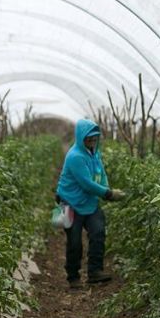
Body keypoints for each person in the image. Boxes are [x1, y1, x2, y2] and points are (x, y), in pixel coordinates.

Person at [56, 119, 125, 289]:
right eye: (88, 139)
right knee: (74, 242)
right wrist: (107, 193)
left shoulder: (94, 152)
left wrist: (107, 186)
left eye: (94, 139)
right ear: (81, 138)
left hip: (90, 202)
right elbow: (86, 183)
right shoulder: (75, 157)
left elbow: (101, 173)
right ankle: (73, 277)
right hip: (69, 202)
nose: (92, 142)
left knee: (98, 232)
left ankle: (95, 272)